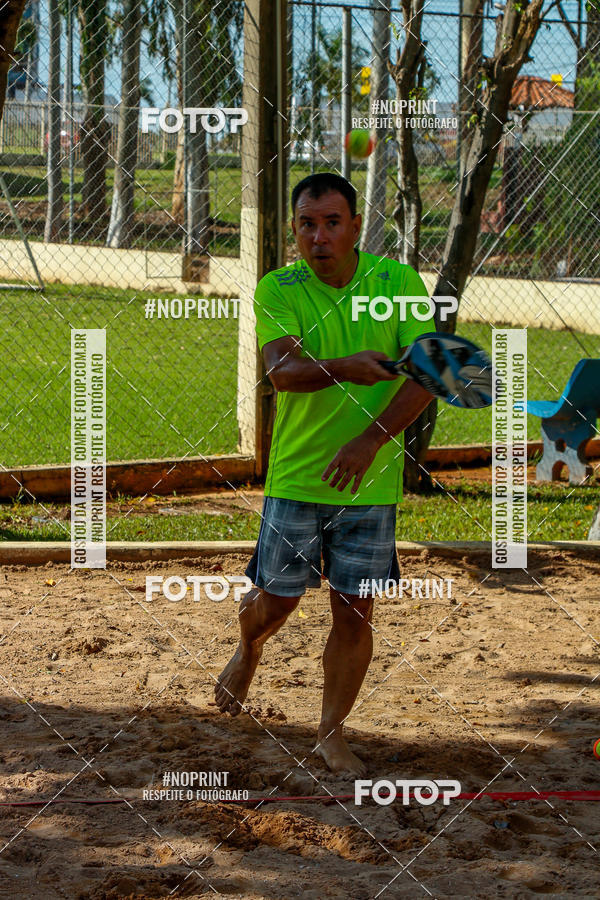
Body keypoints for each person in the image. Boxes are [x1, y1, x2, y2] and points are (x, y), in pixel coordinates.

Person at [215, 172, 434, 776]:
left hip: (371, 482)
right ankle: (248, 648)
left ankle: (331, 735)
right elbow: (282, 370)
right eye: (307, 225)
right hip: (297, 476)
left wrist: (369, 441)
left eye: (332, 223)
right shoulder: (277, 287)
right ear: (294, 230)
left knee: (354, 610)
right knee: (276, 603)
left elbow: (425, 376)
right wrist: (344, 368)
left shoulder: (397, 283)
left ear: (356, 226)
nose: (319, 237)